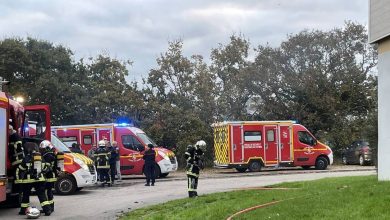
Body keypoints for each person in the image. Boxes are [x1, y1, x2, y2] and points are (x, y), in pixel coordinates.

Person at [16, 142, 51, 216]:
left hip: (28, 180)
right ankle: (47, 210)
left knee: (25, 196)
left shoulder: (26, 158)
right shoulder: (41, 157)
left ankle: (23, 211)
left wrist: (18, 180)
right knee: (42, 196)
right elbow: (45, 168)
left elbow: (21, 169)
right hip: (40, 179)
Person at [39, 140, 59, 212]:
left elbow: (46, 167)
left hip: (49, 176)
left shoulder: (48, 156)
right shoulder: (52, 154)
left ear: (47, 148)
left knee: (47, 192)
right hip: (51, 176)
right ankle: (51, 207)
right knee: (49, 191)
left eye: (43, 149)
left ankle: (48, 208)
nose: (42, 150)